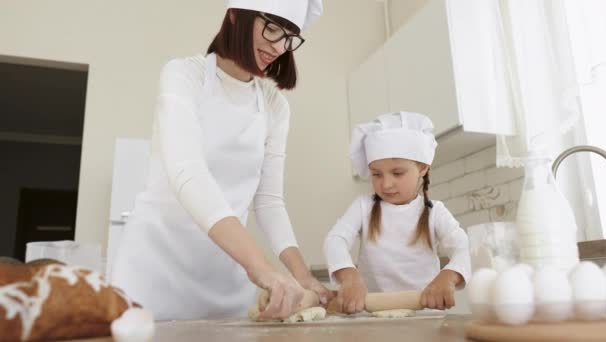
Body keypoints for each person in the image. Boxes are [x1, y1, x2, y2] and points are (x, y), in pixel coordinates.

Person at [111, 0, 332, 321]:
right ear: (234, 16)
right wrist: (262, 267)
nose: (279, 47)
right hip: (154, 270)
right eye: (272, 28)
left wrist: (301, 274)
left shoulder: (273, 105)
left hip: (227, 277)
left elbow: (269, 201)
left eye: (289, 37)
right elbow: (188, 173)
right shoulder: (185, 75)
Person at [323, 112, 471, 314]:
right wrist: (349, 276)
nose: (386, 184)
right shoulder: (363, 207)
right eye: (376, 174)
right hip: (373, 319)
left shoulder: (434, 212)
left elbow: (464, 247)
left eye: (397, 173)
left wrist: (449, 276)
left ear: (422, 168)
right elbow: (335, 239)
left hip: (425, 321)